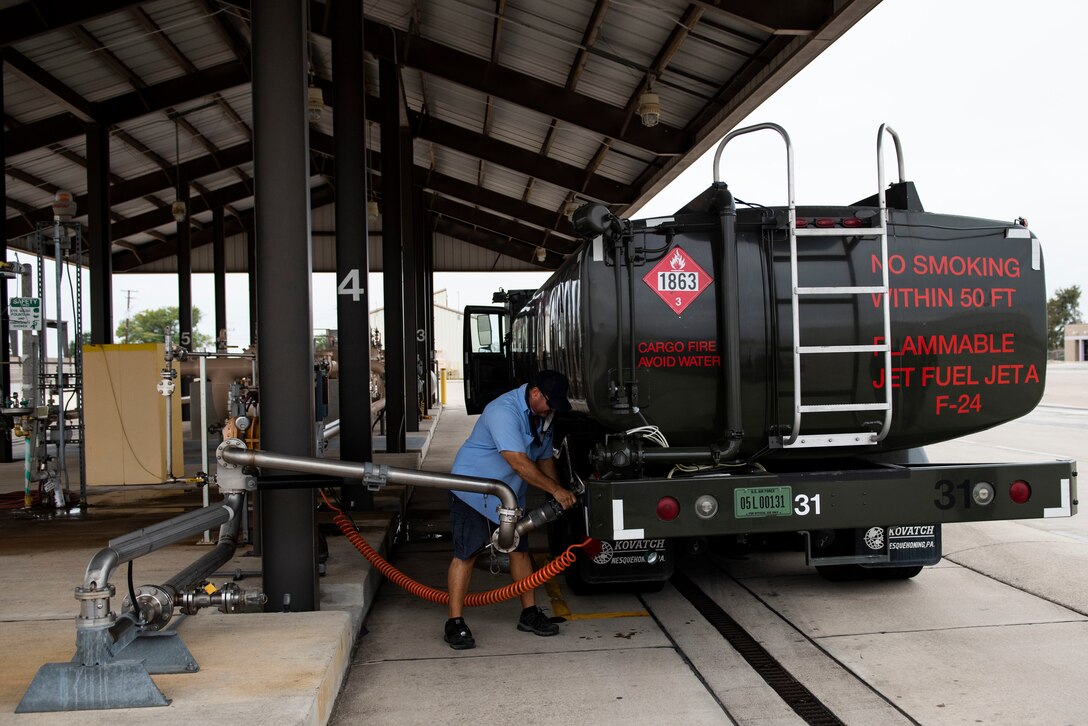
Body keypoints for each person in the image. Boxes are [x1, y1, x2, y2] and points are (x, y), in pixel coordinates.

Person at [444, 369, 577, 650]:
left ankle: (529, 613)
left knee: (520, 552)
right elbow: (517, 461)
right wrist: (555, 491)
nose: (551, 409)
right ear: (535, 393)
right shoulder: (503, 411)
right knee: (465, 554)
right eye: (549, 403)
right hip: (474, 491)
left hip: (508, 497)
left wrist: (556, 491)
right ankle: (455, 622)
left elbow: (542, 457)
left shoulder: (543, 416)